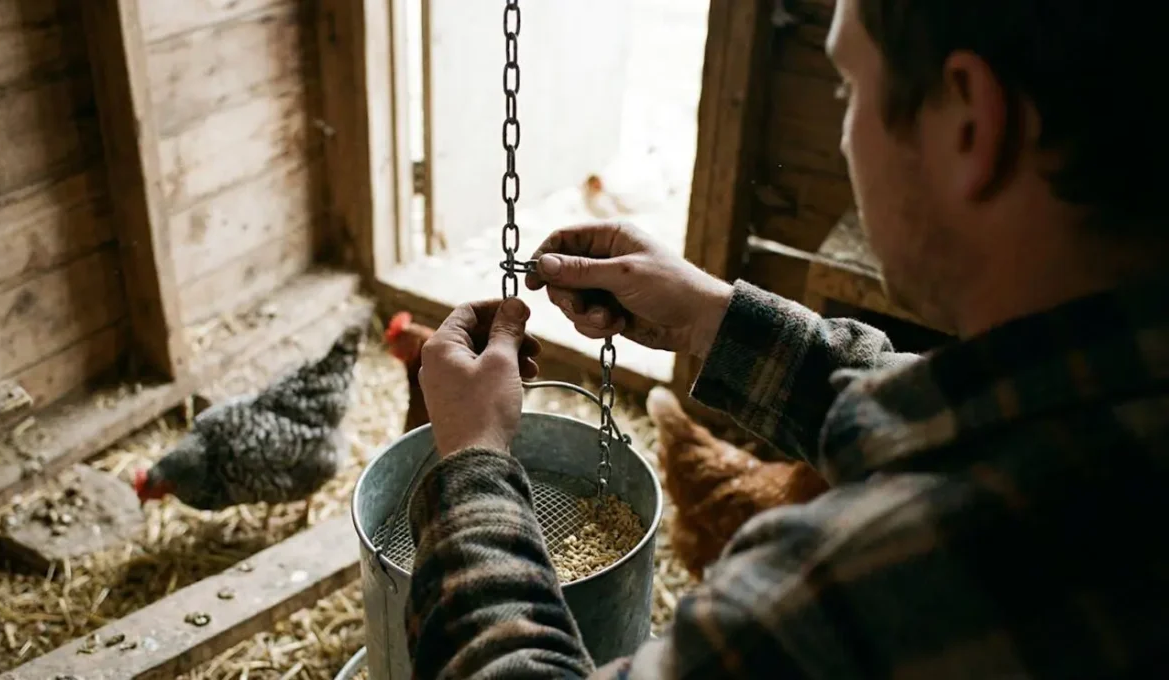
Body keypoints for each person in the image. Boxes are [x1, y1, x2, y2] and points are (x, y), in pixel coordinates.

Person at [404, 0, 1169, 677]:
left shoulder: (852, 590)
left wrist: (473, 458)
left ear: (969, 125)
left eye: (847, 90)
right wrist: (711, 315)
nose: (842, 133)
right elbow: (947, 414)